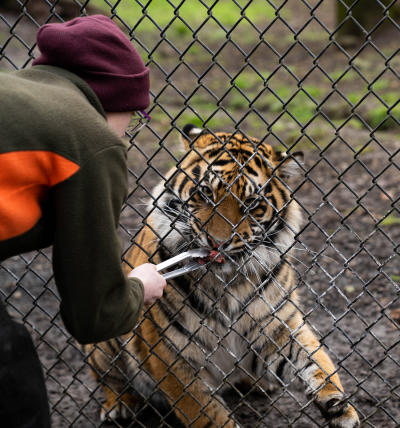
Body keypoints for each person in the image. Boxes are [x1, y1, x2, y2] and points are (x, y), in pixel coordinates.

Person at [0, 15, 166, 427]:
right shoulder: (91, 138)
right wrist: (137, 287)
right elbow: (94, 312)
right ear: (119, 100)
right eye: (136, 116)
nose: (128, 133)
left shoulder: (17, 92)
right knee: (11, 379)